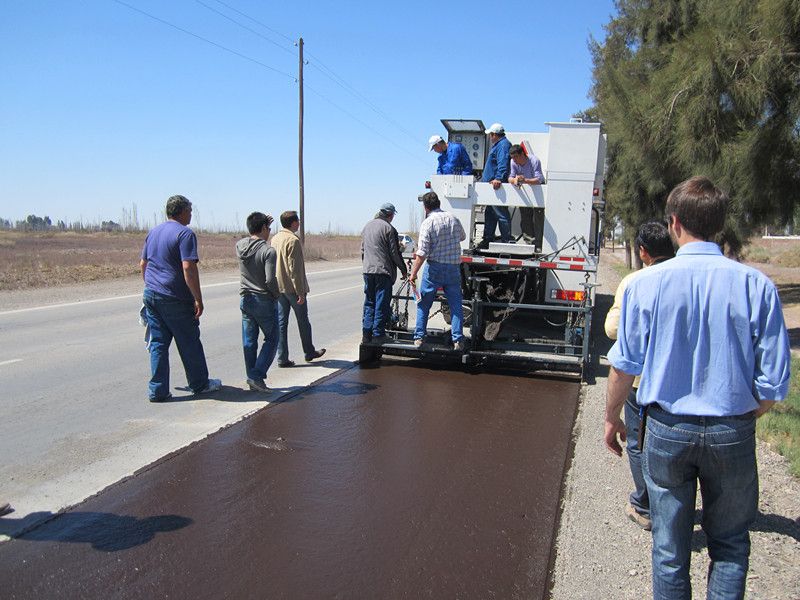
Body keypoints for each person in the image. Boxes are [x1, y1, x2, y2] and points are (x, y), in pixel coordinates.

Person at [604, 176, 790, 599]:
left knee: (669, 549)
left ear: (674, 223)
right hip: (733, 431)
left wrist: (611, 417)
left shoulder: (645, 284)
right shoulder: (756, 285)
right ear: (720, 225)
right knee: (729, 545)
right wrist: (742, 411)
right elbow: (774, 381)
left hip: (667, 430)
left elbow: (624, 367)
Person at [603, 221, 675, 532]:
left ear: (643, 252)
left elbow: (613, 329)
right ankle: (675, 504)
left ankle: (644, 505)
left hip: (641, 381)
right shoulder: (688, 278)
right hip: (679, 382)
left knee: (637, 442)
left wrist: (610, 416)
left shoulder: (635, 281)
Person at [140, 195, 221, 402]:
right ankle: (200, 384)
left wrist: (150, 286)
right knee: (189, 342)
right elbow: (188, 268)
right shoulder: (185, 234)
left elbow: (143, 264)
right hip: (174, 297)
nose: (191, 214)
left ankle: (157, 390)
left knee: (158, 343)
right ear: (182, 211)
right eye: (190, 211)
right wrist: (197, 298)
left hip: (152, 294)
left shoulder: (154, 232)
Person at [408, 191, 467, 351]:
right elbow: (462, 237)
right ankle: (458, 340)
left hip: (434, 268)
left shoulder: (428, 223)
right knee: (456, 305)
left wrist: (413, 274)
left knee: (423, 304)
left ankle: (419, 338)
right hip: (453, 268)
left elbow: (422, 252)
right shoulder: (453, 218)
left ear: (426, 207)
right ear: (439, 203)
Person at [272, 210, 326, 368]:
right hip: (292, 288)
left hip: (279, 286)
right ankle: (309, 351)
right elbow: (294, 269)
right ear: (293, 223)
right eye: (298, 221)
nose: (300, 223)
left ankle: (282, 357)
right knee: (303, 321)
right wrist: (300, 292)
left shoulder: (275, 238)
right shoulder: (292, 240)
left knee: (281, 323)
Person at [236, 212, 280, 393]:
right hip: (263, 299)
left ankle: (252, 377)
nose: (269, 231)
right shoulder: (268, 251)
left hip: (246, 299)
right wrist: (276, 295)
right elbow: (270, 280)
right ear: (263, 228)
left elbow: (254, 236)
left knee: (249, 342)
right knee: (272, 339)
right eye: (268, 228)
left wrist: (261, 224)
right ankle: (256, 376)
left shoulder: (239, 246)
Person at [361, 203, 408, 344]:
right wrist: (404, 270)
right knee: (381, 303)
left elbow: (363, 251)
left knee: (369, 302)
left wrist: (367, 266)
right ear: (390, 215)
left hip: (368, 271)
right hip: (383, 272)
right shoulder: (389, 229)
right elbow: (395, 253)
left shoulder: (367, 226)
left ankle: (366, 335)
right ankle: (378, 334)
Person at [479, 122, 513, 247]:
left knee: (500, 212)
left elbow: (502, 163)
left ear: (494, 135)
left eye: (491, 135)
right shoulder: (500, 145)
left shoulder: (502, 145)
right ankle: (488, 238)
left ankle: (506, 239)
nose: (490, 137)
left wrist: (499, 178)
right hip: (491, 188)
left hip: (495, 187)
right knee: (490, 213)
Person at [508, 144, 545, 246]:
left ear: (522, 154)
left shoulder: (534, 160)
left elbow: (539, 179)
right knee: (525, 217)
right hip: (525, 191)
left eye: (516, 157)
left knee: (538, 218)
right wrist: (515, 180)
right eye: (512, 157)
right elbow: (510, 177)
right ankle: (529, 242)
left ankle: (538, 244)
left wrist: (525, 180)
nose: (514, 160)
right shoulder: (513, 162)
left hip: (537, 191)